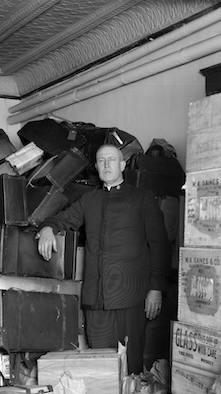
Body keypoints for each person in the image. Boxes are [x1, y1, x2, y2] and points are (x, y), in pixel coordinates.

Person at [36, 143, 170, 375]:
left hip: (131, 296)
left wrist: (156, 288)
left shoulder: (142, 198)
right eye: (101, 160)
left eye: (111, 159)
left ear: (123, 164)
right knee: (100, 366)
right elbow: (63, 219)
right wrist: (48, 228)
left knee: (131, 365)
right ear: (96, 166)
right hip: (96, 300)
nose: (106, 164)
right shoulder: (90, 200)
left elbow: (159, 245)